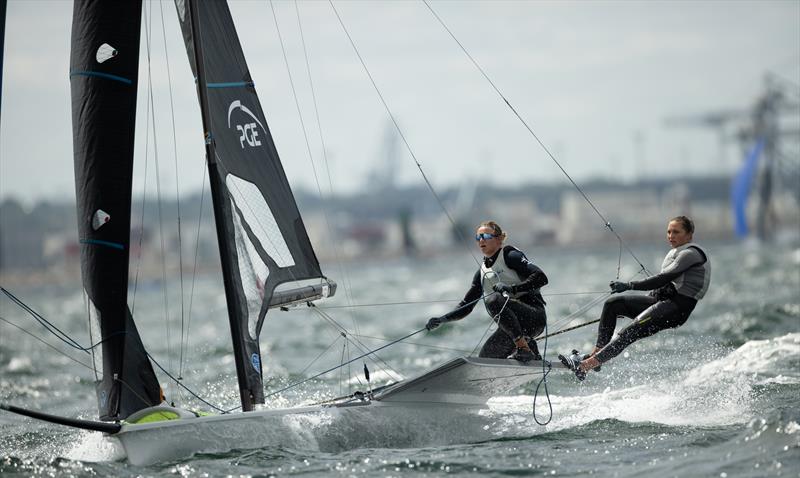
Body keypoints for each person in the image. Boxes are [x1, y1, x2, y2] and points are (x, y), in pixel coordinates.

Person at [559, 215, 711, 380]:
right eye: (668, 232)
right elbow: (665, 288)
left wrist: (630, 285)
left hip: (677, 309)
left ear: (689, 235)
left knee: (629, 332)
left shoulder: (691, 254)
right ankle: (596, 356)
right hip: (663, 302)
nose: (670, 236)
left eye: (676, 232)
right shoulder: (678, 252)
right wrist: (638, 301)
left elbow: (663, 278)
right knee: (614, 304)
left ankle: (584, 366)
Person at [426, 221, 549, 362]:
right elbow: (466, 305)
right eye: (478, 237)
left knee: (493, 300)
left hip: (533, 318)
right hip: (511, 329)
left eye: (485, 236)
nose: (481, 240)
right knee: (486, 359)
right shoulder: (482, 273)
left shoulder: (510, 255)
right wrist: (442, 319)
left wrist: (511, 289)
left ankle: (524, 349)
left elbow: (541, 277)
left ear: (498, 238)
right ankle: (529, 349)